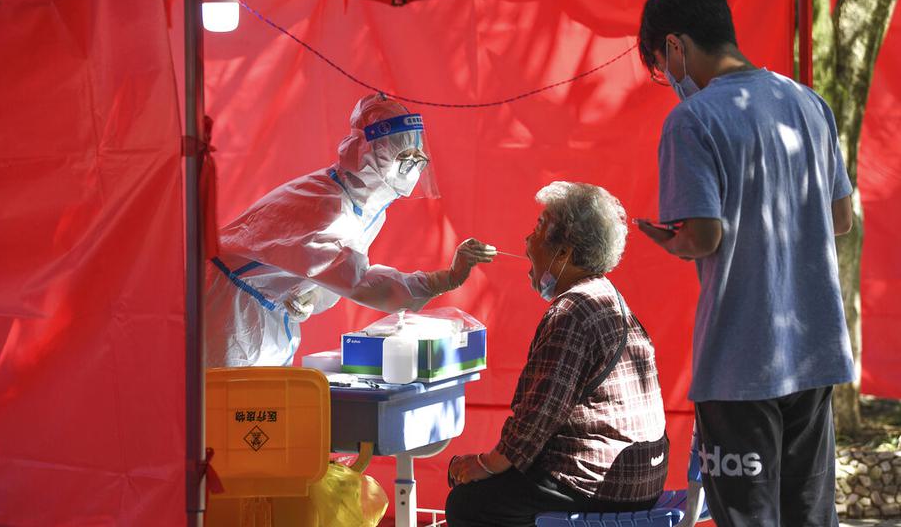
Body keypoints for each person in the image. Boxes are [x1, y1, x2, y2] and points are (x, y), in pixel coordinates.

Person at [636, 0, 854, 526]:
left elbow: (704, 237)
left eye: (662, 65)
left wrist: (670, 240)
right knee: (809, 515)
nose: (669, 80)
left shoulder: (692, 120)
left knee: (748, 518)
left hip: (740, 362)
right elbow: (842, 218)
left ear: (676, 46)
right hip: (814, 353)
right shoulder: (808, 102)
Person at [205, 93, 496, 367]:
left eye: (418, 158)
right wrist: (442, 280)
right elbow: (362, 282)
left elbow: (331, 269)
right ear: (367, 153)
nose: (412, 169)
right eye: (404, 158)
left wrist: (312, 295)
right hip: (230, 313)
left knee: (253, 411)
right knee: (226, 410)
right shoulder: (327, 206)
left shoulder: (361, 204)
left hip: (259, 314)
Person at [445, 182, 669, 527]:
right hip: (639, 477)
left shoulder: (572, 312)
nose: (526, 240)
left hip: (602, 483)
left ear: (564, 253)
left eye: (538, 227)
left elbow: (538, 416)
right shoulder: (606, 296)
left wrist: (484, 464)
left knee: (469, 504)